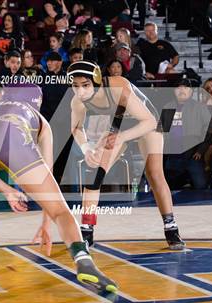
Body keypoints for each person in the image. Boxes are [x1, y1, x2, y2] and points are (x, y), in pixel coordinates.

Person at [0, 82, 117, 292]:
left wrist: (7, 190)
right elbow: (47, 174)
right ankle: (83, 261)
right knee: (60, 210)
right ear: (37, 102)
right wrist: (46, 222)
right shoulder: (41, 120)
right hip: (17, 142)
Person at [68, 60, 185, 250]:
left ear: (96, 81)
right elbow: (76, 128)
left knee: (155, 175)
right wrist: (87, 149)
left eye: (85, 85)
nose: (80, 91)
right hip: (117, 127)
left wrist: (121, 137)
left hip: (146, 123)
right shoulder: (77, 102)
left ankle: (171, 228)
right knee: (93, 175)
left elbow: (148, 121)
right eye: (75, 86)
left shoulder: (117, 86)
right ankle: (86, 232)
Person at [163, 79, 212, 190]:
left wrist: (200, 150)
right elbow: (161, 132)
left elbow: (211, 130)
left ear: (191, 92)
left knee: (201, 186)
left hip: (193, 155)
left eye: (185, 88)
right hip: (173, 155)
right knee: (169, 188)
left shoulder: (200, 107)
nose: (182, 91)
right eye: (179, 88)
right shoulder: (168, 107)